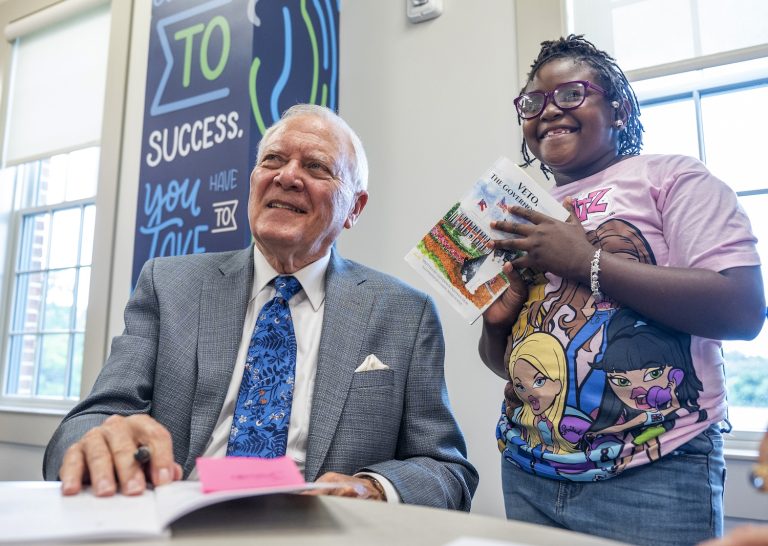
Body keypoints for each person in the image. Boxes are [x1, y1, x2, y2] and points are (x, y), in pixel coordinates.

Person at [44, 104, 478, 511]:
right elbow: (86, 424)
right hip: (176, 520)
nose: (287, 176)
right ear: (253, 180)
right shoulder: (169, 285)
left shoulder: (404, 313)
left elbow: (446, 470)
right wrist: (98, 441)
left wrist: (374, 488)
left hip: (316, 532)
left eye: (316, 167)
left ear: (355, 209)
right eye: (272, 160)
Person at [478, 35, 765, 545]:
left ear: (619, 110)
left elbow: (741, 309)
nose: (548, 111)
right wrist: (498, 325)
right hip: (527, 472)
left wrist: (585, 261)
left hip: (655, 471)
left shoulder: (671, 177)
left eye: (570, 94)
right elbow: (510, 366)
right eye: (532, 103)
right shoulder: (521, 211)